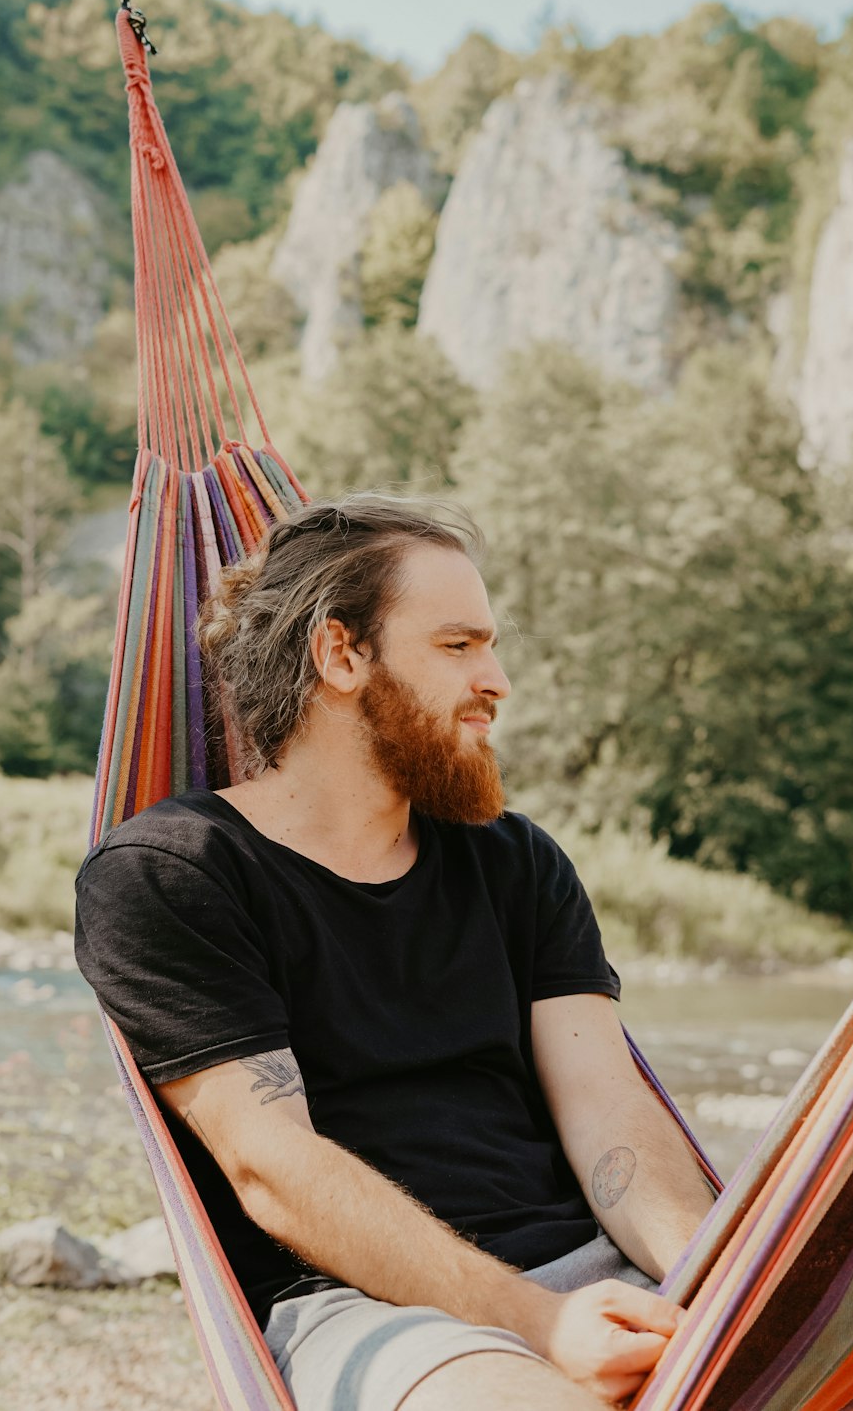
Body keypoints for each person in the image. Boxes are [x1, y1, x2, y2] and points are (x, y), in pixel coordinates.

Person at [75, 496, 717, 1411]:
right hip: (365, 1314)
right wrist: (541, 1325)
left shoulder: (515, 861)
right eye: (458, 647)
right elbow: (273, 1168)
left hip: (596, 1277)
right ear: (341, 654)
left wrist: (720, 1286)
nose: (495, 680)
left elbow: (613, 1116)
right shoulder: (172, 877)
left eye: (490, 646)